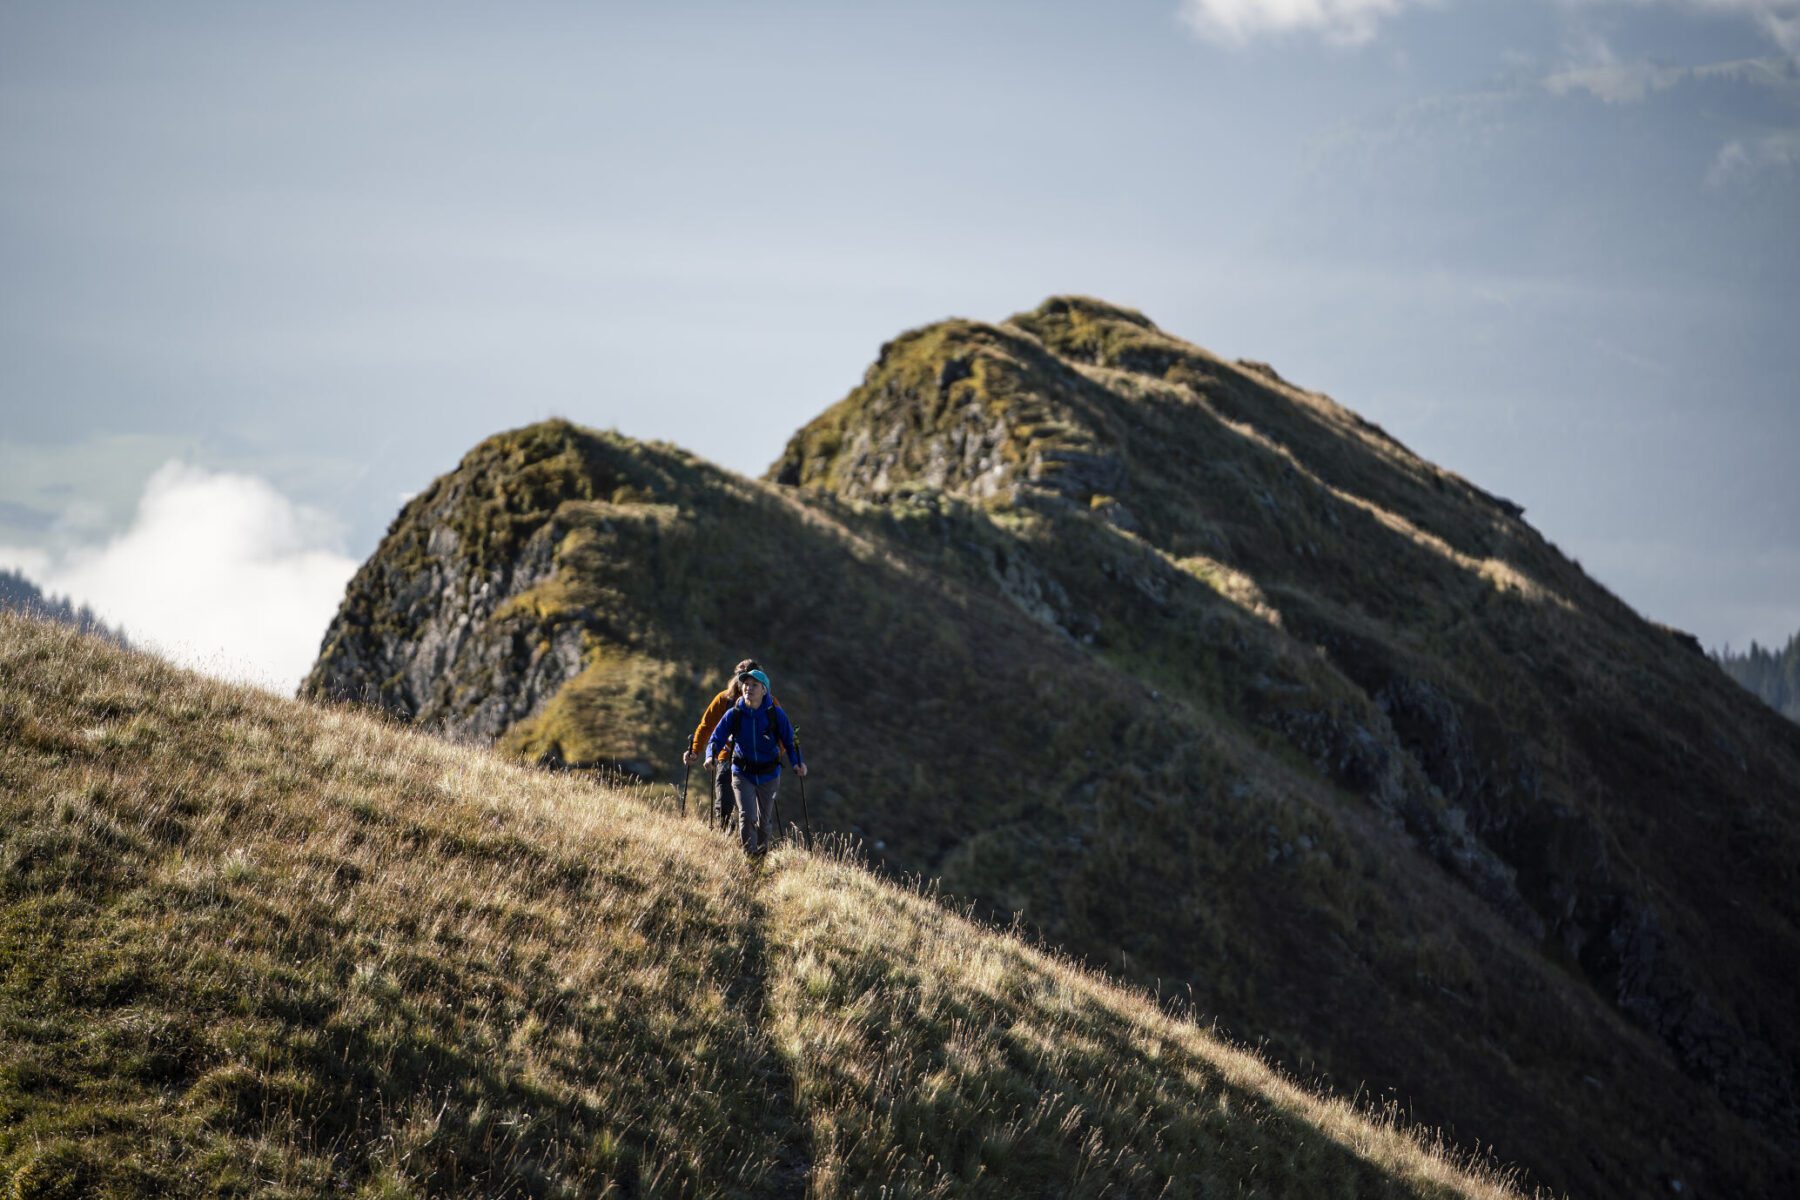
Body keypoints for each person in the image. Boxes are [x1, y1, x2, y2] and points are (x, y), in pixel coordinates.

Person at [706, 668, 805, 856]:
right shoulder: (734, 714)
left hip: (769, 775)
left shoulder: (775, 714)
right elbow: (716, 738)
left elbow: (790, 741)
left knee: (763, 822)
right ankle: (749, 858)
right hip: (742, 773)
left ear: (764, 690)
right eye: (745, 684)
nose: (748, 688)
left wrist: (797, 763)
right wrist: (710, 755)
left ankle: (760, 858)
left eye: (754, 685)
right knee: (747, 816)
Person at [685, 659, 778, 830]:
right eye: (744, 679)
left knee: (755, 813)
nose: (747, 685)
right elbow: (706, 726)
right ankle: (723, 836)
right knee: (724, 805)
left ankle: (749, 843)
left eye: (753, 682)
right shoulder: (723, 699)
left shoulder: (770, 704)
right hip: (726, 759)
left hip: (757, 763)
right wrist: (696, 750)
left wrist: (775, 755)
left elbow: (780, 732)